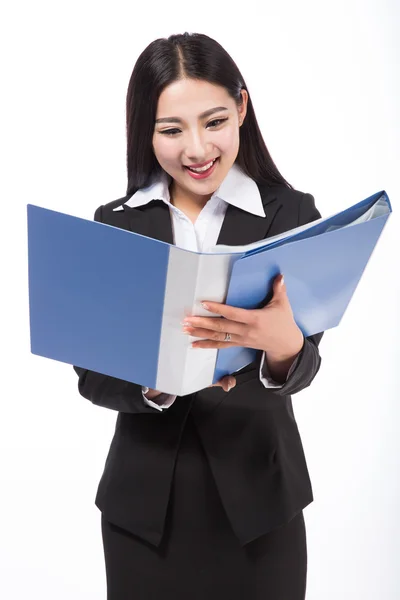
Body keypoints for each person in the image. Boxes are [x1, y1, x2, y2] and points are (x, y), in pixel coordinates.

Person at [74, 31, 323, 600]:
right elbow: (91, 376)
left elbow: (307, 364)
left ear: (241, 106)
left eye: (213, 122)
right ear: (146, 131)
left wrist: (285, 346)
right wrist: (158, 380)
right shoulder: (115, 225)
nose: (196, 149)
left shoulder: (292, 214)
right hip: (143, 512)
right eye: (170, 130)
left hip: (262, 506)